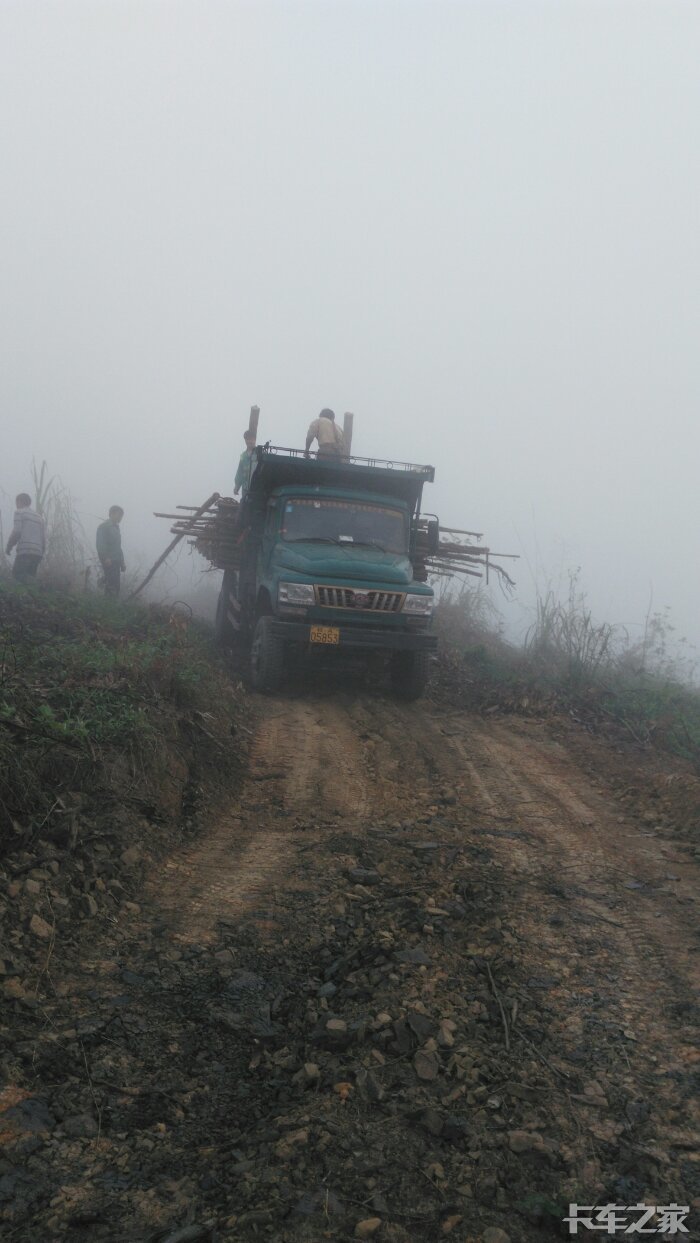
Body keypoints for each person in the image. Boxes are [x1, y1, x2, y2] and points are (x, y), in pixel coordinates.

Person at [5, 493, 46, 582]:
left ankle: (31, 591)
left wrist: (9, 546)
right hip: (37, 553)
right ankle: (32, 594)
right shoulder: (39, 518)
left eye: (16, 502)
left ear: (19, 501)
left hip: (25, 551)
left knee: (17, 575)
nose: (16, 505)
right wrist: (42, 552)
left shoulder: (19, 512)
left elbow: (17, 531)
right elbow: (43, 538)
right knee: (30, 578)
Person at [96, 506, 126, 597]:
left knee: (116, 585)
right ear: (111, 514)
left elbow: (118, 547)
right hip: (109, 560)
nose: (120, 517)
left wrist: (122, 562)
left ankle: (110, 603)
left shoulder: (116, 528)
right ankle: (108, 605)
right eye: (119, 515)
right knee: (112, 585)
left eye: (121, 516)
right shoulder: (104, 527)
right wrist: (105, 558)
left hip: (116, 561)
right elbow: (100, 544)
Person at [234, 430, 257, 498]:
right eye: (247, 439)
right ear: (245, 440)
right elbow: (240, 472)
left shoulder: (259, 454)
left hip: (256, 488)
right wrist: (237, 486)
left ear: (255, 440)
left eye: (251, 439)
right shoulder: (243, 456)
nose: (249, 441)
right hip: (245, 488)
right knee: (244, 505)